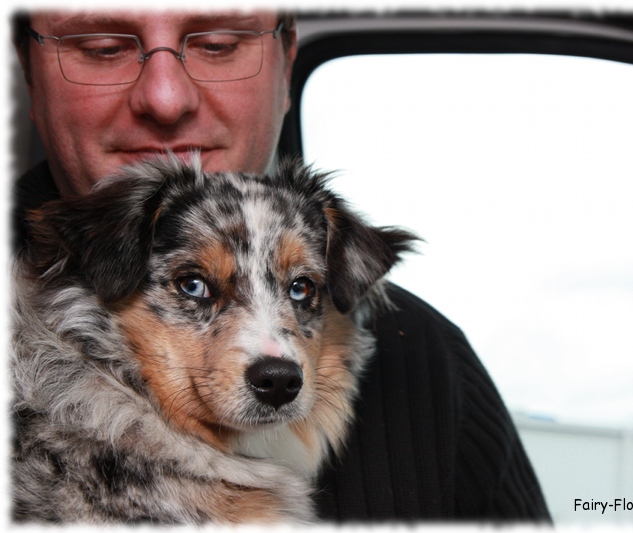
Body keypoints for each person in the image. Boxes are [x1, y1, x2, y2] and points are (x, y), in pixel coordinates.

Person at [11, 9, 551, 521]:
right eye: (102, 47)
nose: (165, 97)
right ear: (27, 69)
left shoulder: (431, 360)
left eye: (219, 44)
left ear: (287, 60)